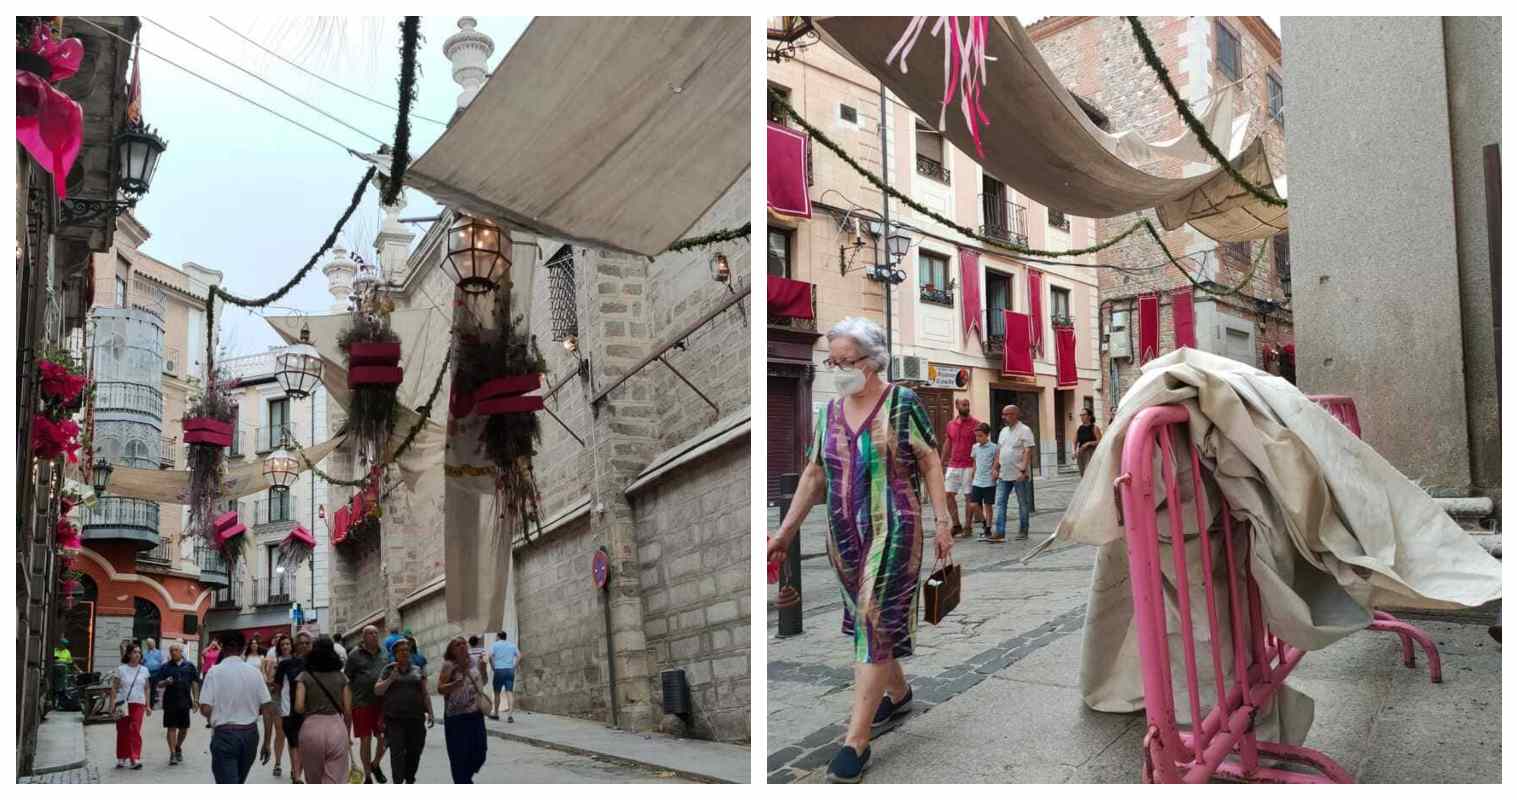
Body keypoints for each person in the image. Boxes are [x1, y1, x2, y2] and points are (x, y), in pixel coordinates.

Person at [767, 316, 954, 783]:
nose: (837, 369)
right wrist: (784, 533)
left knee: (872, 616)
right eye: (832, 360)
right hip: (842, 535)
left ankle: (856, 740)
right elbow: (814, 475)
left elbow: (930, 459)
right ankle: (899, 693)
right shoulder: (829, 411)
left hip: (895, 527)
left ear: (872, 362)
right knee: (867, 622)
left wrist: (943, 520)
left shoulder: (902, 402)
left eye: (845, 361)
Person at [199, 630, 275, 783]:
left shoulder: (214, 673)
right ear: (242, 649)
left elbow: (205, 708)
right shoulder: (255, 673)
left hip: (225, 735)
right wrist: (267, 742)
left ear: (223, 647)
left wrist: (216, 715)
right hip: (250, 735)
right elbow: (268, 708)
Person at [295, 636, 353, 784]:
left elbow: (299, 707)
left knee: (314, 780)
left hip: (311, 730)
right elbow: (347, 710)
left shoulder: (304, 676)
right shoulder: (342, 677)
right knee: (335, 779)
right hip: (336, 728)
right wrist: (347, 733)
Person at [376, 638, 434, 784]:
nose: (405, 653)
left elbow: (424, 692)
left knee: (415, 751)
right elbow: (377, 691)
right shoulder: (388, 669)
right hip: (394, 719)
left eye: (407, 650)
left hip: (415, 718)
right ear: (395, 653)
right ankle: (398, 782)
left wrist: (431, 712)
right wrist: (390, 680)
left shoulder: (417, 670)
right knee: (397, 753)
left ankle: (409, 778)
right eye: (401, 650)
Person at [437, 636, 488, 783]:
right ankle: (463, 782)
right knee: (459, 757)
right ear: (451, 650)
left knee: (480, 753)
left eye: (463, 643)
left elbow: (482, 682)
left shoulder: (473, 662)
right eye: (457, 645)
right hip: (456, 718)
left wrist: (483, 670)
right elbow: (440, 689)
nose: (461, 646)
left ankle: (465, 778)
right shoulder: (448, 665)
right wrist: (455, 683)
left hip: (475, 714)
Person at [344, 625, 389, 782]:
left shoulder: (385, 653)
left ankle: (375, 764)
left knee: (384, 738)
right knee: (365, 740)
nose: (374, 635)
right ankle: (368, 775)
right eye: (370, 633)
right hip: (361, 703)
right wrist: (347, 707)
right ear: (363, 637)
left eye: (376, 632)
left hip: (381, 704)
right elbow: (347, 681)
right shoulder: (354, 655)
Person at [991, 403, 1037, 542]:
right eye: (1003, 414)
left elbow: (1028, 451)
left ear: (1015, 415)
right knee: (1000, 503)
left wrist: (1023, 470)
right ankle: (1000, 532)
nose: (1003, 417)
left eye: (1007, 414)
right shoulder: (1003, 431)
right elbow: (999, 450)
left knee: (1022, 503)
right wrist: (995, 467)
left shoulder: (1025, 430)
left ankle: (1023, 530)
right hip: (1004, 473)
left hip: (1018, 474)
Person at [939, 396, 981, 538]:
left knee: (969, 496)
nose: (966, 407)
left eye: (967, 404)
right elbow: (947, 443)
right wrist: (941, 462)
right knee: (948, 494)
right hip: (953, 465)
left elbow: (981, 446)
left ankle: (968, 526)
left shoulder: (976, 424)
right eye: (964, 405)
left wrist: (978, 467)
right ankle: (956, 525)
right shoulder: (951, 424)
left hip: (969, 465)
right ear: (957, 406)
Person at [274, 632, 313, 783]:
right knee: (294, 742)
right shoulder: (285, 664)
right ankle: (297, 777)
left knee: (306, 744)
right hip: (290, 710)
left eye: (307, 643)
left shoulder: (318, 663)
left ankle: (299, 772)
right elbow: (277, 687)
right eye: (301, 643)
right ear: (295, 646)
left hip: (313, 711)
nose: (304, 645)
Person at [112, 643, 152, 769]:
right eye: (135, 652)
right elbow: (114, 688)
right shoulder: (121, 669)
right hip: (123, 703)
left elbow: (147, 689)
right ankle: (122, 757)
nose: (138, 654)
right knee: (122, 730)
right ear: (129, 654)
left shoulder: (144, 670)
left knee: (134, 730)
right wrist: (112, 703)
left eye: (139, 652)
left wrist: (148, 705)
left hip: (138, 703)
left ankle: (135, 757)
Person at [159, 642, 200, 765]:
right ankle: (172, 753)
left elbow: (194, 683)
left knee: (184, 729)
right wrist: (165, 682)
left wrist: (196, 699)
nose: (173, 652)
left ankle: (178, 747)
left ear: (181, 652)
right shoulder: (165, 667)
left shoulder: (190, 666)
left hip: (185, 701)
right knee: (171, 728)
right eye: (171, 650)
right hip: (170, 702)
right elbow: (159, 684)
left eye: (175, 650)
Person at [263, 634, 293, 778]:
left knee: (293, 735)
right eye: (283, 644)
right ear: (279, 647)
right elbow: (269, 681)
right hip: (278, 699)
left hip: (293, 700)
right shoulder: (275, 661)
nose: (286, 646)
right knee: (280, 733)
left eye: (288, 644)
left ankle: (295, 766)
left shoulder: (297, 660)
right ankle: (278, 763)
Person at [967, 423, 998, 540]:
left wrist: (995, 470)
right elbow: (974, 462)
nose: (978, 438)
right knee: (974, 504)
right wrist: (973, 475)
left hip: (989, 481)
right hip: (977, 481)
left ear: (987, 435)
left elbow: (996, 461)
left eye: (980, 436)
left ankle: (988, 528)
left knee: (988, 505)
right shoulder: (975, 447)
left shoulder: (994, 447)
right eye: (976, 436)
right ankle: (984, 523)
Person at [488, 631, 521, 722]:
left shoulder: (494, 645)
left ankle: (496, 714)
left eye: (496, 637)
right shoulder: (512, 645)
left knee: (497, 693)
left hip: (499, 670)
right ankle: (510, 716)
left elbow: (489, 656)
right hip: (510, 670)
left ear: (498, 637)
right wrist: (514, 666)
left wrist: (492, 666)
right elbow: (519, 656)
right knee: (509, 692)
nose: (496, 638)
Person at [1074, 407, 1102, 476]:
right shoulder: (1080, 428)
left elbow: (1100, 442)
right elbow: (1075, 441)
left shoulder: (1094, 428)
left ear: (1089, 416)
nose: (1082, 417)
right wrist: (1075, 452)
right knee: (1083, 474)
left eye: (1083, 415)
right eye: (1081, 415)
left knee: (1089, 474)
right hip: (1081, 454)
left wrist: (1089, 443)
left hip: (1091, 454)